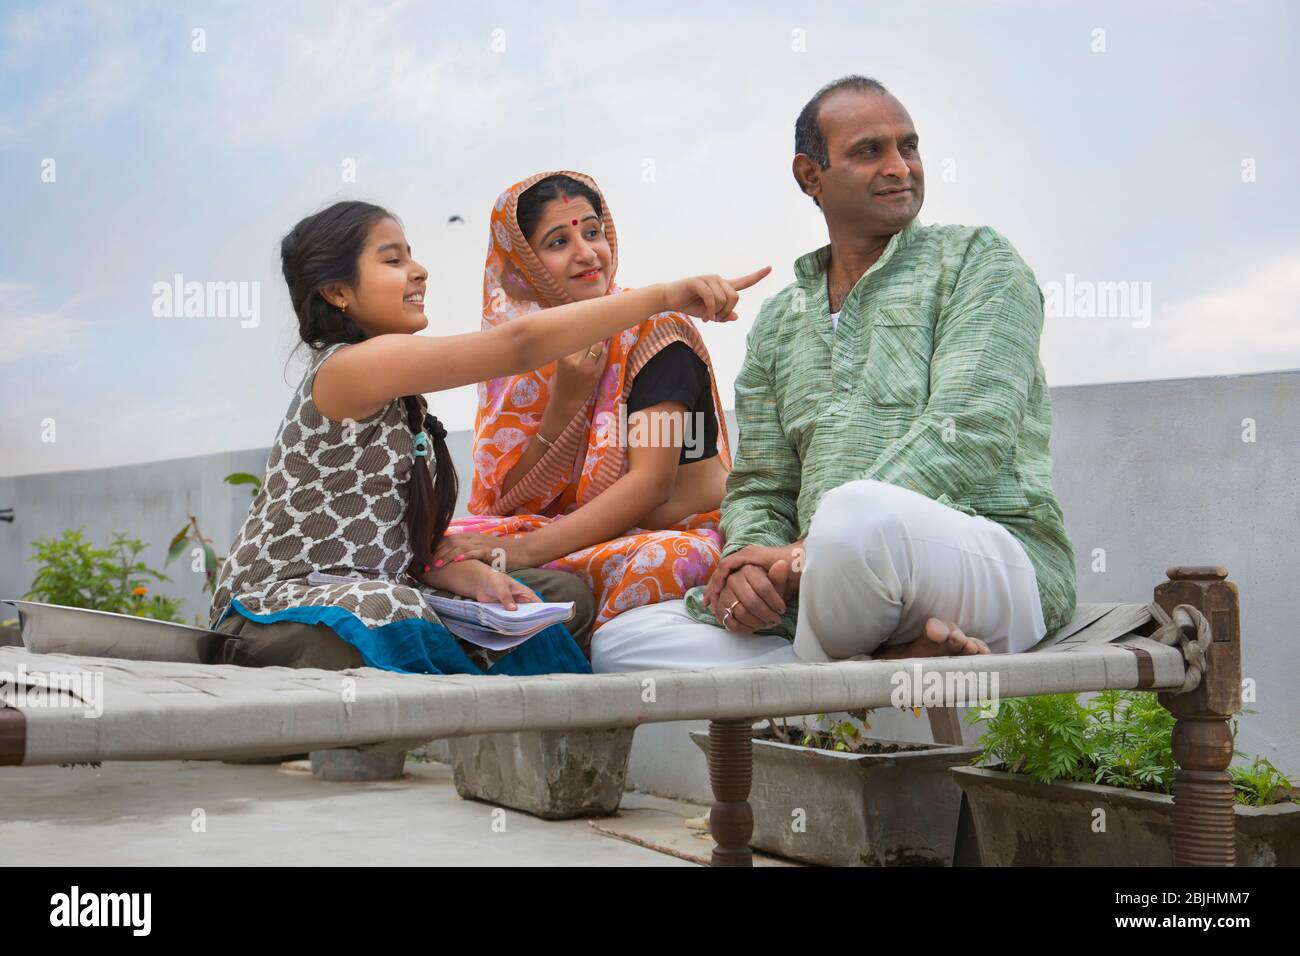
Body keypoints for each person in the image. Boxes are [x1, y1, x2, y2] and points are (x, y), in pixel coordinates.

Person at [590, 76, 1077, 673]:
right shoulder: (780, 320)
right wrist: (747, 565)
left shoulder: (978, 261)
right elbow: (762, 485)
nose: (900, 167)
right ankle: (873, 671)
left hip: (979, 560)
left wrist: (802, 553)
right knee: (623, 641)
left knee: (857, 518)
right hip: (821, 588)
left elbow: (970, 428)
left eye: (910, 147)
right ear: (809, 176)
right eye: (870, 151)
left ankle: (831, 676)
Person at [207, 199, 767, 674]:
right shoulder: (350, 369)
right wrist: (665, 294)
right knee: (390, 616)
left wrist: (476, 576)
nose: (419, 271)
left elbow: (399, 543)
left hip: (380, 589)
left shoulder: (406, 399)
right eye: (393, 260)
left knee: (555, 600)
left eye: (593, 232)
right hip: (278, 608)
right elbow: (520, 344)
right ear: (337, 293)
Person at [432, 171, 736, 636]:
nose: (587, 253)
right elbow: (508, 501)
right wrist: (564, 404)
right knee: (436, 546)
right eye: (558, 242)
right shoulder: (528, 359)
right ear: (522, 267)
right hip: (579, 533)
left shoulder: (657, 335)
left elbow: (651, 486)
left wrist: (524, 552)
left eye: (592, 232)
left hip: (677, 533)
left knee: (672, 559)